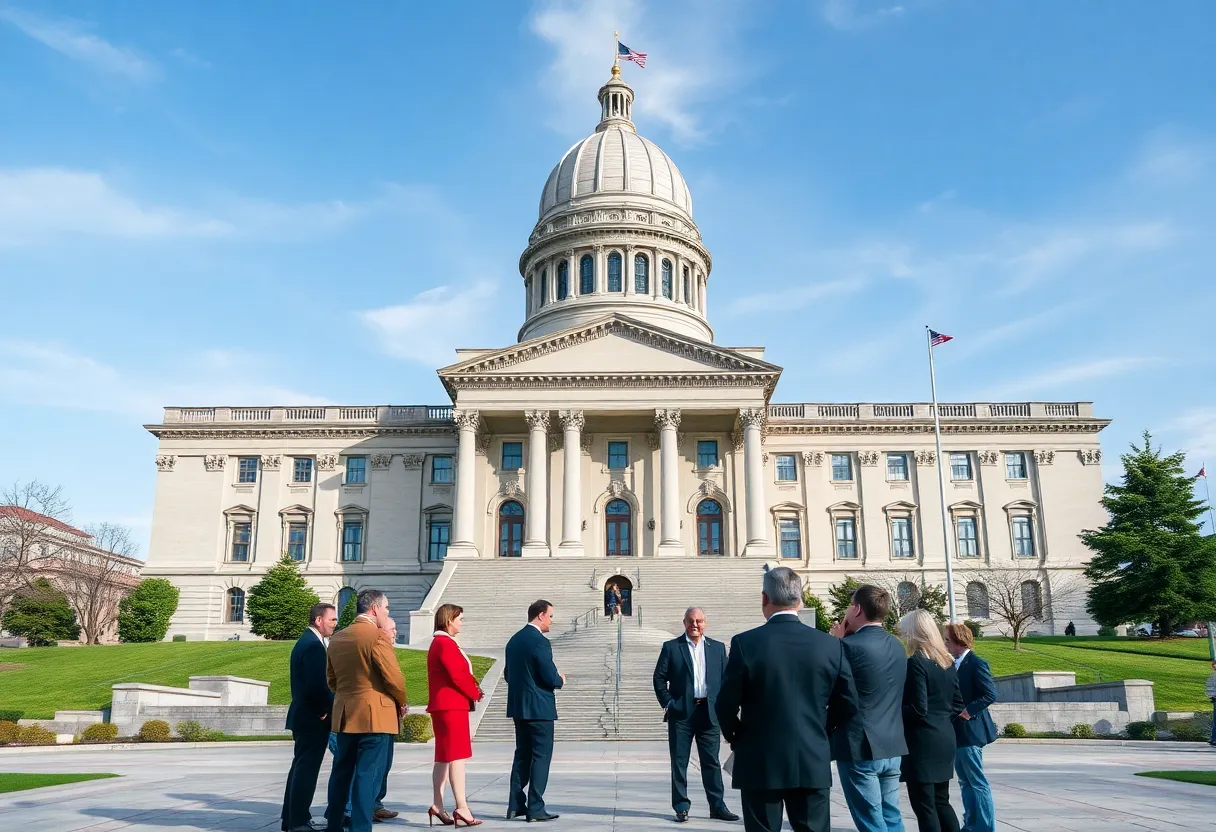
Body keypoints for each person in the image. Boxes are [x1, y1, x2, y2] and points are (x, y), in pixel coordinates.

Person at [715, 566, 858, 832]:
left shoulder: (745, 643)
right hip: (811, 754)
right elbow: (848, 702)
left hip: (759, 757)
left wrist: (737, 736)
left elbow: (724, 704)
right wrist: (822, 731)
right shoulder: (830, 645)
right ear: (800, 599)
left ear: (764, 599)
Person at [324, 589, 407, 832]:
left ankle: (334, 824)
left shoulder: (337, 638)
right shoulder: (377, 636)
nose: (387, 612)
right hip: (375, 716)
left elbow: (331, 681)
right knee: (367, 774)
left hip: (345, 714)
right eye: (386, 608)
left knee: (341, 772)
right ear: (374, 609)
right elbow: (395, 679)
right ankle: (360, 827)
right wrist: (400, 701)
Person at [828, 586, 908, 832]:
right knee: (891, 816)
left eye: (850, 606)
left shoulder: (846, 646)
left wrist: (834, 643)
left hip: (859, 746)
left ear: (858, 608)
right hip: (892, 744)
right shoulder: (897, 646)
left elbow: (833, 691)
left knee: (871, 822)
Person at [652, 606, 739, 824]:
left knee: (711, 762)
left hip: (709, 713)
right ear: (684, 623)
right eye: (691, 621)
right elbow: (659, 679)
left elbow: (727, 680)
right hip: (682, 714)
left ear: (705, 623)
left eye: (699, 621)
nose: (695, 625)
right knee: (679, 762)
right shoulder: (672, 647)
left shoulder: (718, 648)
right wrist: (669, 704)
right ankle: (681, 806)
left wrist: (725, 708)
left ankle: (717, 806)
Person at [898, 610, 963, 832]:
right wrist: (940, 718)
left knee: (925, 806)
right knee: (941, 802)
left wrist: (895, 711)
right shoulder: (947, 663)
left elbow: (918, 708)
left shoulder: (916, 662)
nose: (902, 636)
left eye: (904, 632)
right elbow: (957, 703)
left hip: (922, 742)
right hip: (944, 736)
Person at [504, 599, 565, 823]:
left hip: (519, 708)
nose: (551, 621)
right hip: (540, 709)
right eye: (550, 616)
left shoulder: (514, 640)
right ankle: (535, 807)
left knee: (522, 755)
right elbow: (549, 676)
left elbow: (508, 675)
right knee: (540, 757)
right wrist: (560, 680)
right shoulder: (540, 642)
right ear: (540, 615)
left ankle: (515, 805)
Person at [281, 602, 338, 832]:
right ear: (318, 620)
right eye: (332, 619)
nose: (336, 623)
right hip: (313, 718)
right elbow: (317, 686)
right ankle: (298, 821)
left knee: (300, 768)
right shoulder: (313, 646)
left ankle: (292, 817)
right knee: (307, 770)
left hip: (305, 716)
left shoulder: (308, 642)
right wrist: (326, 708)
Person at [428, 603, 484, 827]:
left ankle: (438, 805)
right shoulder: (444, 643)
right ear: (449, 620)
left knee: (443, 758)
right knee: (456, 757)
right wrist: (475, 692)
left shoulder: (440, 642)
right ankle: (462, 807)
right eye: (459, 618)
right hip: (451, 706)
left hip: (443, 705)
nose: (462, 622)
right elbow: (458, 675)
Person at [942, 623, 997, 832]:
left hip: (971, 731)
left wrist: (968, 711)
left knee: (976, 782)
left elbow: (989, 693)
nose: (945, 644)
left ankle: (984, 827)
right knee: (965, 782)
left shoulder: (976, 663)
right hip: (958, 732)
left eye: (947, 640)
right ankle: (971, 825)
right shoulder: (953, 664)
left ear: (958, 641)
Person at [1206, 661, 1216, 747]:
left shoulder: (1212, 676)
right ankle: (1214, 739)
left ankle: (1214, 739)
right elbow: (1209, 688)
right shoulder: (1212, 677)